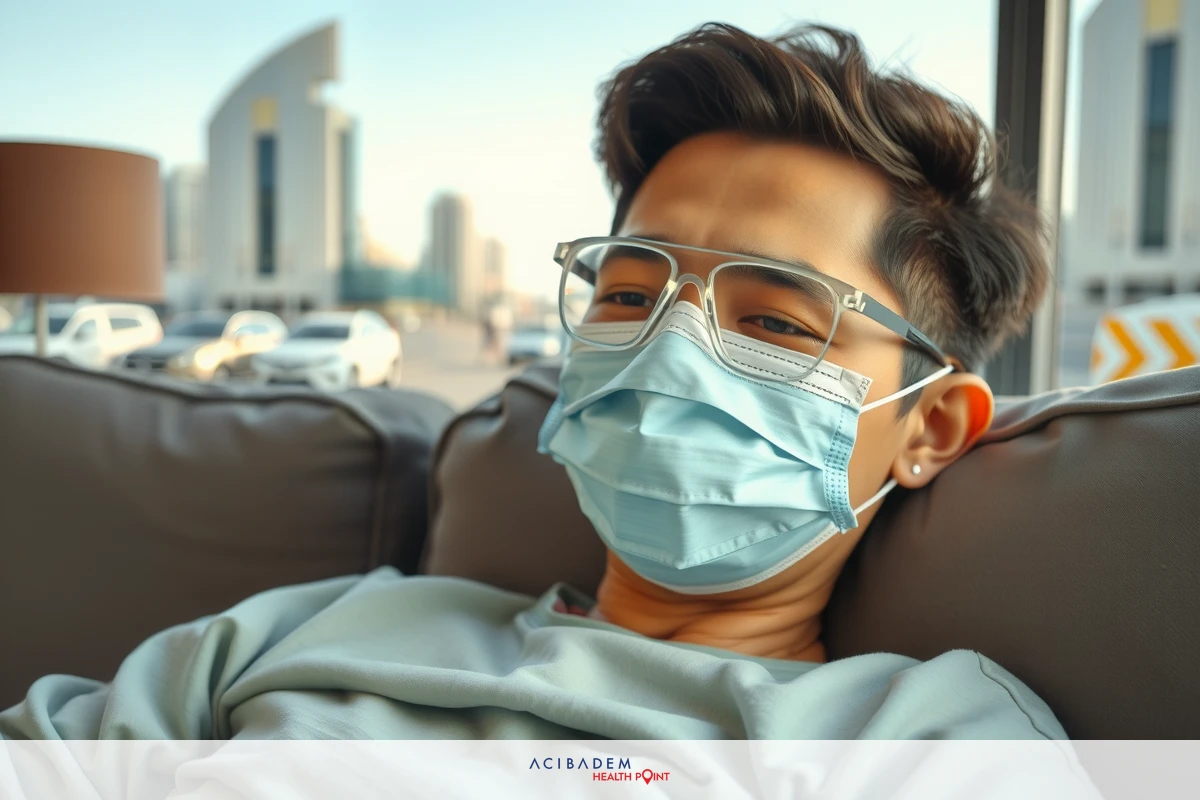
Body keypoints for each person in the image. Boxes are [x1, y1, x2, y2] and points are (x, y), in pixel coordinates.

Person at [2, 23, 1064, 746]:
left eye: (778, 319)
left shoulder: (931, 736)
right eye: (626, 294)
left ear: (926, 424)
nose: (666, 352)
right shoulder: (293, 635)